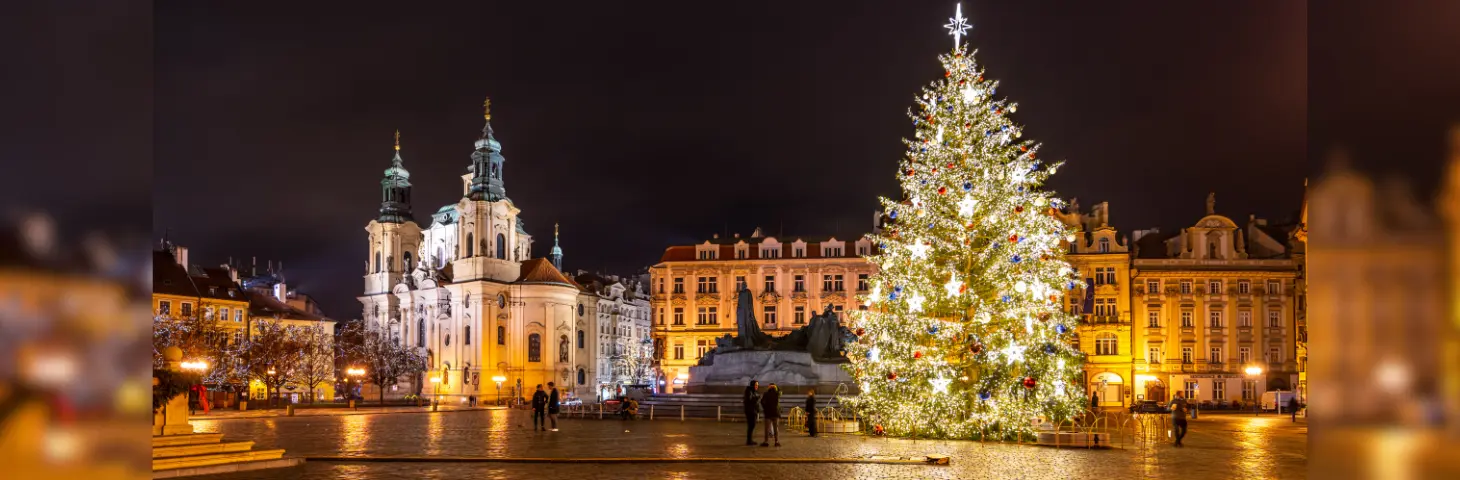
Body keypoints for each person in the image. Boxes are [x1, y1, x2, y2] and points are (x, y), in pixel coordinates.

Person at [760, 382, 781, 447]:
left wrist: (765, 408)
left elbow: (762, 402)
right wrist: (775, 386)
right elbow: (780, 391)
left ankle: (766, 442)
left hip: (768, 413)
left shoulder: (766, 394)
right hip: (775, 413)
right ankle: (776, 441)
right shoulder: (777, 393)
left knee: (767, 429)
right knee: (775, 428)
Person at [742, 380, 761, 446]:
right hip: (750, 411)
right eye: (756, 385)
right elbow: (749, 400)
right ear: (753, 385)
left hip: (753, 411)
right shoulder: (749, 391)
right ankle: (749, 440)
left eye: (757, 385)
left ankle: (750, 440)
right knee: (751, 425)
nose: (757, 386)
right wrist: (757, 398)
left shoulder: (753, 391)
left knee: (752, 425)